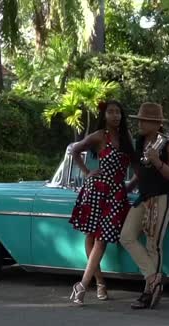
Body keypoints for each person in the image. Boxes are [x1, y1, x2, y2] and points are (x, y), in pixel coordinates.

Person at [68, 100, 135, 306]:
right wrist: (88, 173)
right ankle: (99, 283)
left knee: (101, 239)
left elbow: (137, 168)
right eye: (111, 112)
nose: (115, 116)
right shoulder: (99, 136)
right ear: (104, 115)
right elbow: (74, 150)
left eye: (118, 112)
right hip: (97, 190)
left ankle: (81, 286)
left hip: (116, 193)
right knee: (91, 236)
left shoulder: (126, 138)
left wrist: (128, 187)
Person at [120, 102, 169, 310]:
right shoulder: (139, 142)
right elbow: (141, 173)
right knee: (126, 236)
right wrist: (128, 188)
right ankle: (153, 277)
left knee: (153, 243)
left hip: (164, 196)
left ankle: (149, 292)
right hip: (145, 195)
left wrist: (157, 162)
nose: (140, 124)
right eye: (140, 120)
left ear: (157, 124)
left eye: (145, 120)